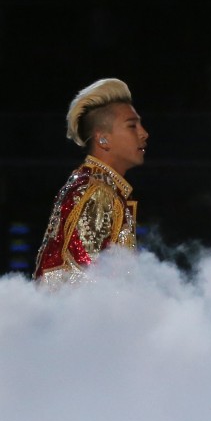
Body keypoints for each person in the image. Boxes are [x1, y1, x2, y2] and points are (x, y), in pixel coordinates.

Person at [34, 78, 149, 286]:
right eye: (132, 126)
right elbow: (86, 285)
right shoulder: (98, 193)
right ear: (103, 139)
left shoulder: (95, 185)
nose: (144, 133)